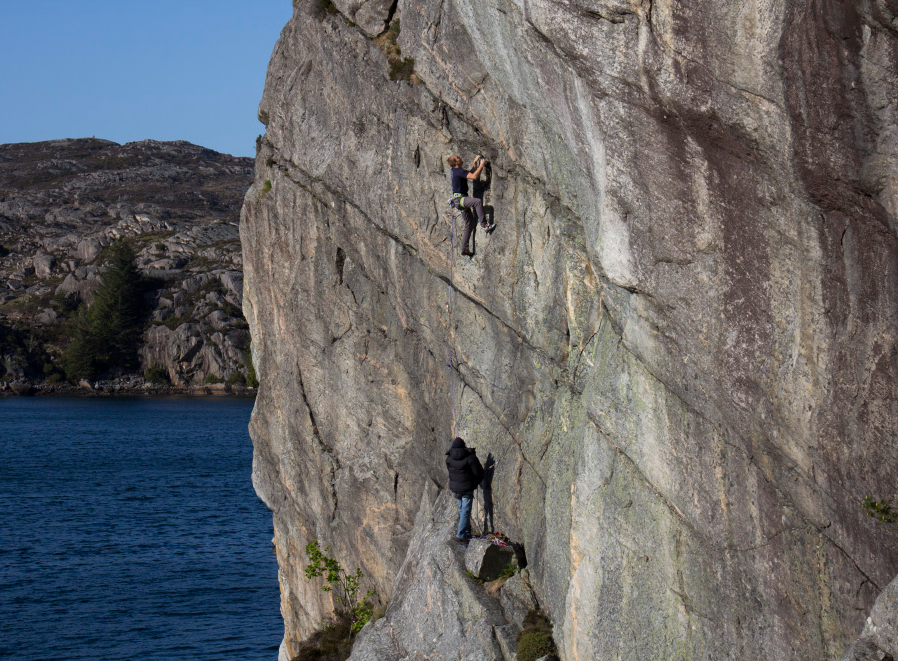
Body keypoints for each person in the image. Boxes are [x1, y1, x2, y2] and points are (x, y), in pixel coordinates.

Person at [447, 154, 495, 256]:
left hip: (458, 201)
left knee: (469, 224)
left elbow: (469, 174)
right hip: (460, 199)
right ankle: (484, 225)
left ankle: (464, 248)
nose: (460, 157)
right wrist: (481, 165)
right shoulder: (458, 171)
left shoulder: (455, 171)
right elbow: (474, 176)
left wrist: (475, 164)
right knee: (477, 202)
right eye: (458, 158)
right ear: (455, 162)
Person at [445, 436, 484, 543]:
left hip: (456, 488)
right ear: (464, 447)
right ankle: (461, 535)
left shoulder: (449, 459)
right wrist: (477, 481)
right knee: (465, 511)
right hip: (467, 487)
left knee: (463, 510)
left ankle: (466, 532)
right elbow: (478, 472)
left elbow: (450, 471)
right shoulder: (470, 458)